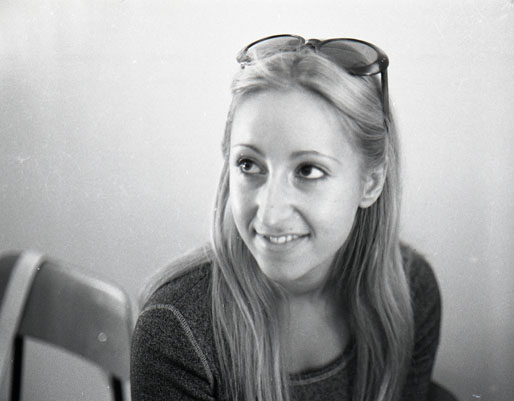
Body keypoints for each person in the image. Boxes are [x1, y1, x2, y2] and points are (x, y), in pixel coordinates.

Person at [131, 34, 441, 401]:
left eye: (308, 170)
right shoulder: (177, 332)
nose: (270, 213)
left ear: (370, 182)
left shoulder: (410, 291)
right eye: (249, 164)